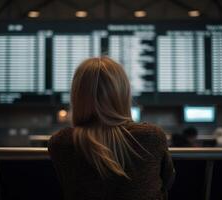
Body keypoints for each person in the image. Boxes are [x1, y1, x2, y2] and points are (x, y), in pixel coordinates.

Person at [48, 57, 175, 200]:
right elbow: (168, 181)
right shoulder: (152, 136)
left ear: (77, 96)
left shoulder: (60, 143)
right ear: (123, 93)